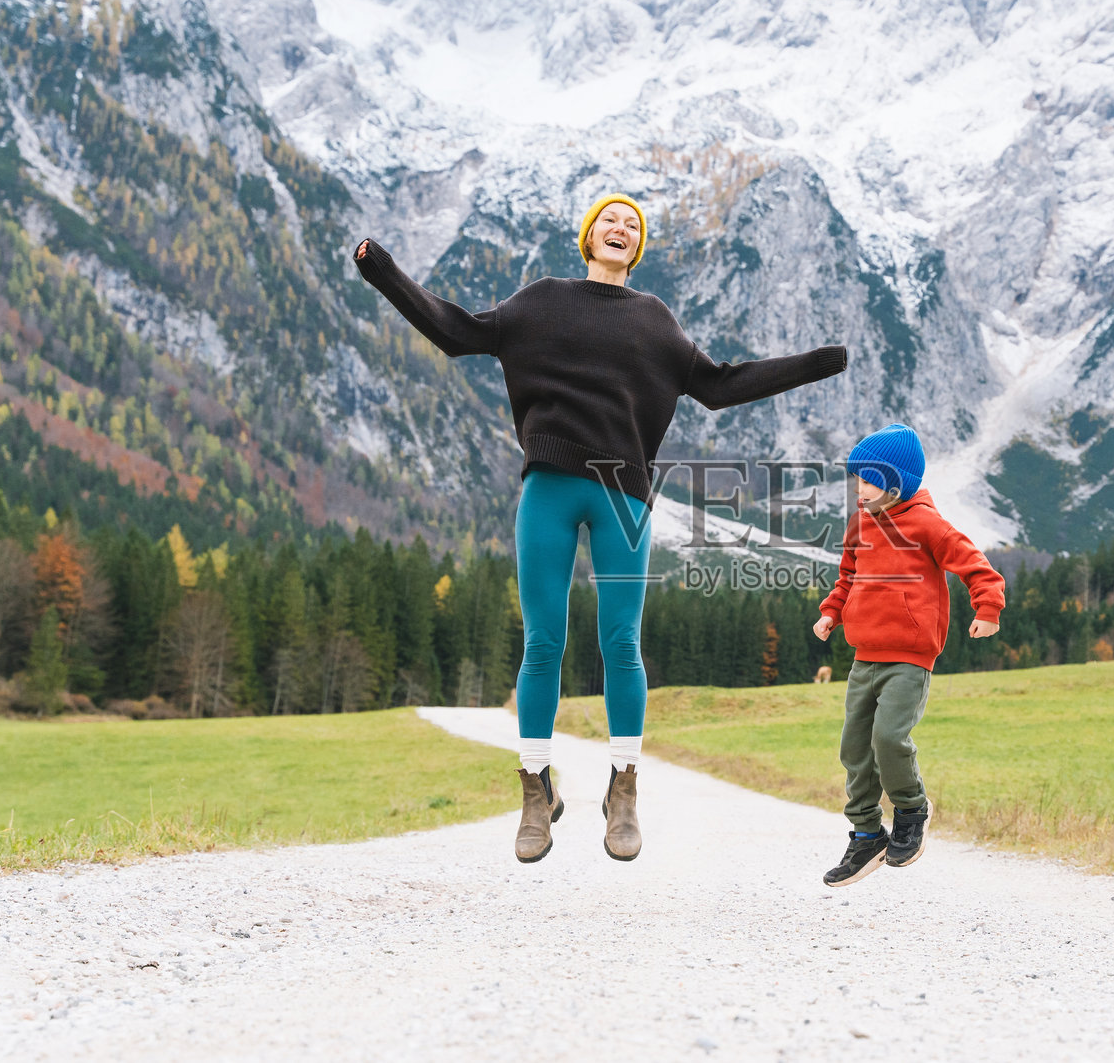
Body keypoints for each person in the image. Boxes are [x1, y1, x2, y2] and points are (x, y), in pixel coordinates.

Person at [354, 194, 847, 863]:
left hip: (625, 497)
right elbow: (456, 331)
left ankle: (624, 789)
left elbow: (723, 385)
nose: (622, 227)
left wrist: (821, 361)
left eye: (633, 225)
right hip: (549, 489)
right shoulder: (541, 301)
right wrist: (382, 270)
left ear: (636, 248)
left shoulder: (655, 321)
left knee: (621, 641)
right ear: (589, 235)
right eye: (611, 220)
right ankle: (536, 789)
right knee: (543, 642)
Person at [812, 423, 1004, 886]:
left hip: (910, 657)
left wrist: (989, 606)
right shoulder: (859, 523)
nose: (860, 488)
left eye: (869, 479)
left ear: (896, 483)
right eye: (857, 478)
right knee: (854, 748)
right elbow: (847, 577)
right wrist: (831, 612)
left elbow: (974, 563)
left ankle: (912, 810)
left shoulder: (926, 523)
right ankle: (865, 834)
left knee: (889, 739)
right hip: (864, 655)